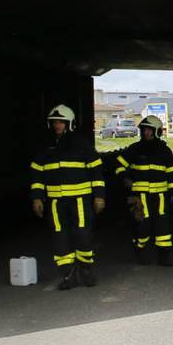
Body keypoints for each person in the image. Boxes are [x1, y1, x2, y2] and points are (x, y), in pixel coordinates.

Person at [29, 104, 105, 290]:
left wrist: (99, 197)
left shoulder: (81, 142)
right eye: (54, 122)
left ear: (69, 123)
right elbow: (37, 174)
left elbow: (96, 171)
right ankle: (68, 276)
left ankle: (86, 270)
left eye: (61, 122)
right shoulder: (46, 146)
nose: (57, 125)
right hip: (55, 202)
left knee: (82, 236)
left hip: (79, 199)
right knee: (59, 238)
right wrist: (37, 198)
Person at [114, 114, 173, 266]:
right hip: (140, 196)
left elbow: (172, 174)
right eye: (144, 130)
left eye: (149, 130)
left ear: (157, 131)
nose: (146, 133)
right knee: (144, 224)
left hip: (161, 196)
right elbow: (118, 165)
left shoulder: (165, 151)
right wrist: (125, 177)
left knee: (163, 225)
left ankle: (165, 256)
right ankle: (140, 249)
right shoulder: (135, 149)